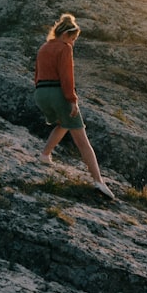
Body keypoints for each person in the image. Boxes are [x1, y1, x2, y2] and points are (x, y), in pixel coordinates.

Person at [34, 13, 115, 200]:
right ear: (65, 35)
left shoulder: (44, 47)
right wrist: (72, 100)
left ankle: (45, 155)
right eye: (73, 38)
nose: (73, 43)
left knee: (63, 123)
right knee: (81, 138)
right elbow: (66, 76)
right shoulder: (64, 48)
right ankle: (98, 181)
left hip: (40, 93)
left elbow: (37, 74)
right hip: (56, 92)